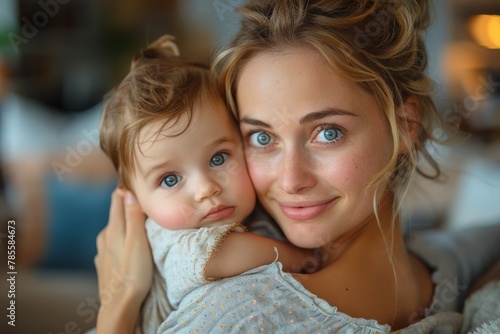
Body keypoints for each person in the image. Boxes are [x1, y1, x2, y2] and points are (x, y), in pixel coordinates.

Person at [94, 0, 500, 333]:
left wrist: (119, 306)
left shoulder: (449, 264)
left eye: (327, 133)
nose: (291, 180)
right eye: (262, 137)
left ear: (405, 126)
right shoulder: (233, 317)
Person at [98, 35, 315, 334]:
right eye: (170, 179)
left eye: (218, 158)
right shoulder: (164, 239)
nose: (206, 189)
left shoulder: (260, 213)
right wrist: (300, 257)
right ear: (134, 198)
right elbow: (213, 256)